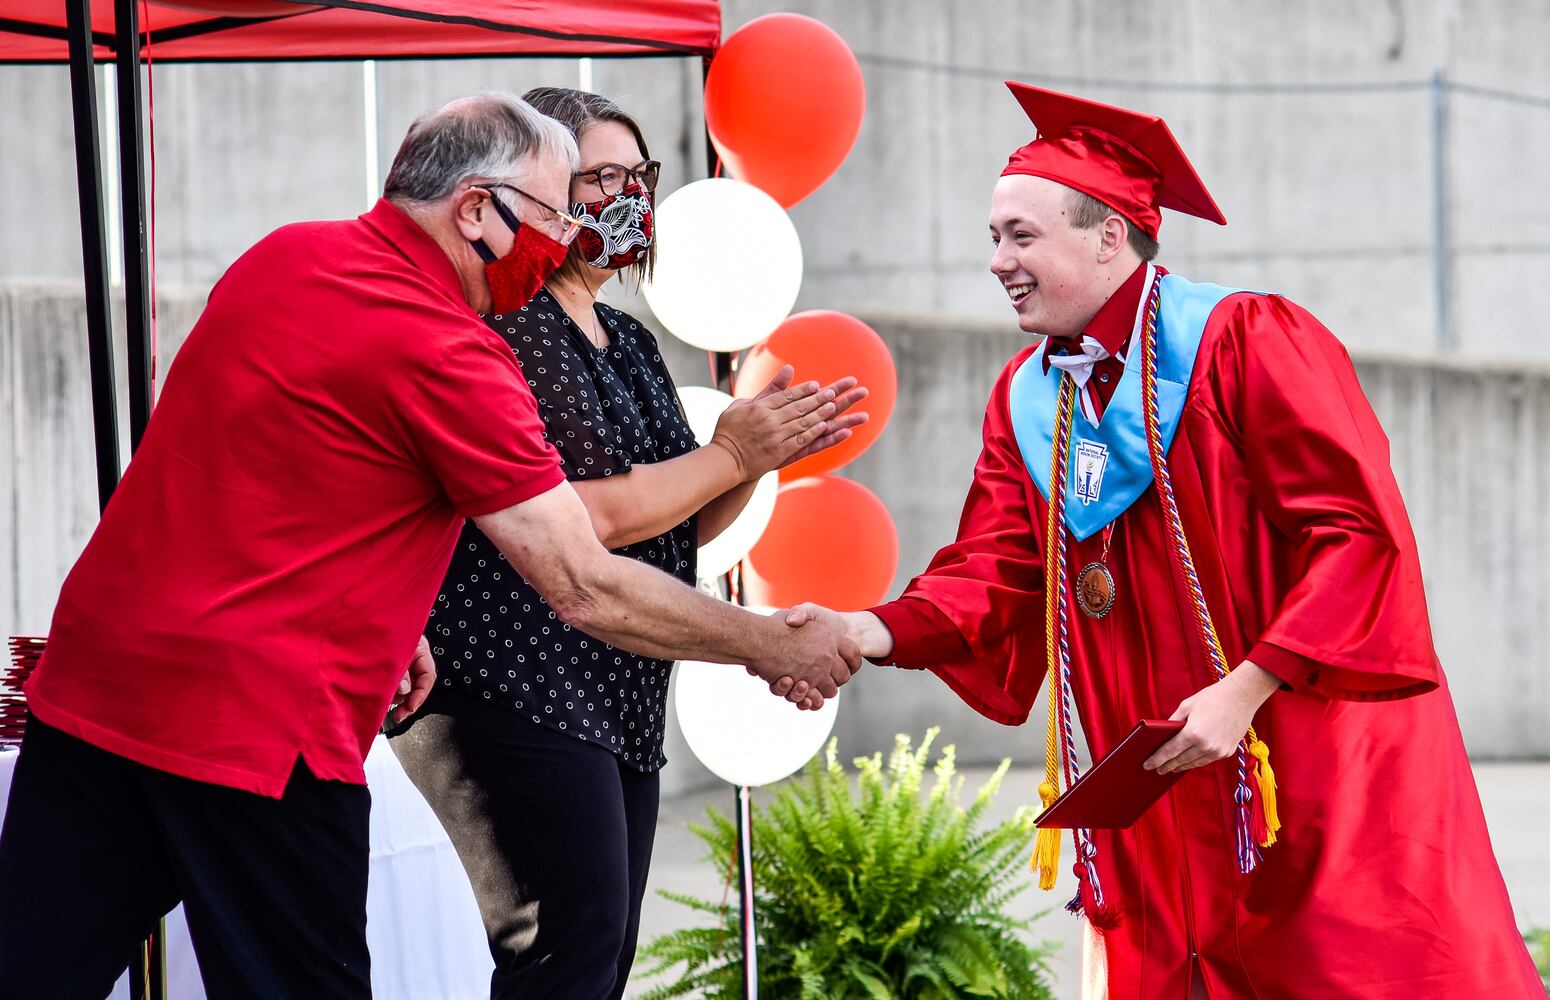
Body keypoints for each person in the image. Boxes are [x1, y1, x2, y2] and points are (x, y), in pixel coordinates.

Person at [0, 92, 858, 1000]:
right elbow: (582, 581)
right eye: (558, 210)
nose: (569, 235)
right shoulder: (451, 348)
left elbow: (286, 470)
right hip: (260, 727)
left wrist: (390, 622)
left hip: (100, 684)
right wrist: (769, 643)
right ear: (477, 208)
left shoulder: (281, 255)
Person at [790, 82, 1543, 999]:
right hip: (1152, 784)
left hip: (1294, 760)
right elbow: (996, 568)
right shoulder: (1032, 396)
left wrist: (1247, 687)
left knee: (1342, 968)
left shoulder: (1248, 342)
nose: (996, 260)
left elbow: (1358, 535)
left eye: (1020, 235)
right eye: (994, 236)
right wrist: (871, 631)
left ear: (1109, 234)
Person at [388, 87, 868, 1000]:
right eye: (594, 177)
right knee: (562, 953)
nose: (622, 197)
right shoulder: (504, 324)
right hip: (512, 682)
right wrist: (730, 450)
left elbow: (675, 528)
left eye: (636, 175)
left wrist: (756, 462)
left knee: (602, 957)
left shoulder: (633, 342)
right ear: (539, 193)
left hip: (619, 688)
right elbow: (589, 520)